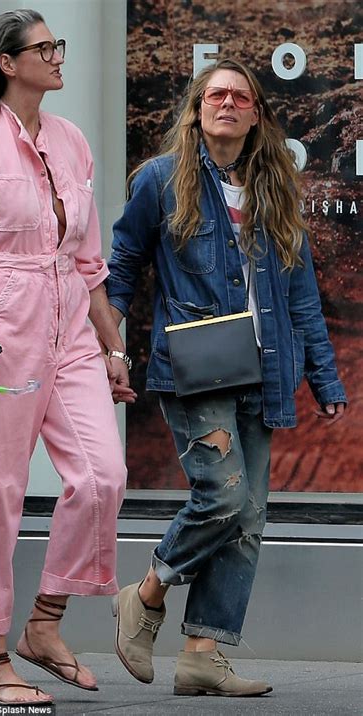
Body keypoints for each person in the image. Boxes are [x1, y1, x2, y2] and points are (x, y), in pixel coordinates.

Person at [106, 58, 347, 697]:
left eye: (241, 97)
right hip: (198, 369)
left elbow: (301, 294)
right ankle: (145, 593)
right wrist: (108, 349)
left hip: (263, 371)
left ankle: (201, 655)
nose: (228, 104)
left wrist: (324, 378)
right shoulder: (161, 180)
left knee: (248, 519)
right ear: (197, 107)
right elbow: (121, 268)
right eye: (216, 94)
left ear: (256, 114)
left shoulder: (275, 188)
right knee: (224, 497)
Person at [0, 8, 135, 705]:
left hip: (71, 325)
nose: (58, 56)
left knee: (102, 476)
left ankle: (44, 622)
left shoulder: (72, 141)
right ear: (7, 63)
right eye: (44, 48)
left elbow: (91, 264)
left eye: (57, 45)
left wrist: (114, 347)